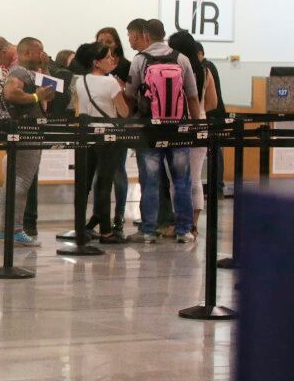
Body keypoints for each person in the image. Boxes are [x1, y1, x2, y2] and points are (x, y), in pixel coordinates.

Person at [124, 19, 202, 244]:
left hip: (150, 129)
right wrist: (195, 126)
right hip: (178, 129)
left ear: (146, 36)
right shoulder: (182, 59)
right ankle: (184, 230)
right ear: (164, 34)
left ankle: (149, 230)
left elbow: (130, 93)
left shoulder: (139, 60)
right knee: (182, 181)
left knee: (150, 181)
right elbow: (192, 96)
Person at [0, 37, 55, 247]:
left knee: (18, 181)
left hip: (31, 132)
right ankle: (12, 230)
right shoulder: (19, 72)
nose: (43, 54)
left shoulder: (32, 73)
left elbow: (51, 93)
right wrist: (35, 98)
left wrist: (45, 68)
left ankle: (7, 229)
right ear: (27, 53)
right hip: (25, 133)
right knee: (19, 182)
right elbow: (10, 93)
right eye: (40, 51)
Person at [72, 41, 130, 243]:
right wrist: (121, 90)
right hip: (107, 137)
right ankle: (106, 231)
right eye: (108, 57)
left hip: (87, 136)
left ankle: (81, 228)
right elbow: (124, 112)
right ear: (96, 62)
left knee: (85, 183)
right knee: (104, 184)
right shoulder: (111, 82)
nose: (112, 60)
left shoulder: (81, 81)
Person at [167, 30, 219, 233]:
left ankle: (180, 222)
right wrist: (201, 110)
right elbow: (213, 102)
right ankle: (193, 224)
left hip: (177, 126)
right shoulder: (205, 71)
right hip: (201, 125)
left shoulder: (173, 69)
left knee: (177, 179)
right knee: (195, 178)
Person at [197, 42, 227, 197]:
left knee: (215, 151)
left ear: (200, 53)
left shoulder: (206, 68)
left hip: (213, 115)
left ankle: (218, 187)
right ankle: (216, 186)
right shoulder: (208, 66)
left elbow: (210, 100)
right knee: (214, 151)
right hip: (213, 114)